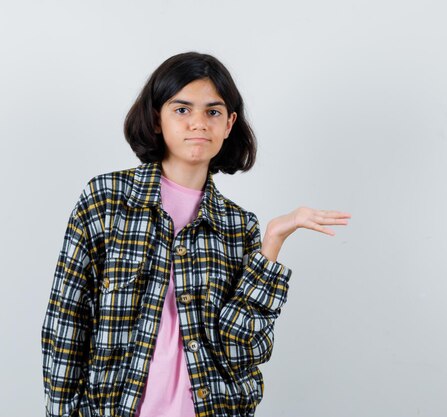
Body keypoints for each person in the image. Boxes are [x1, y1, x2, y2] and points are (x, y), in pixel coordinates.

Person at [41, 51, 351, 417]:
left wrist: (272, 243)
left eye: (213, 111)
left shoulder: (238, 227)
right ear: (157, 118)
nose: (199, 123)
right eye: (182, 109)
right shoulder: (106, 200)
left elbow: (241, 352)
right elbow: (66, 324)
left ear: (229, 123)